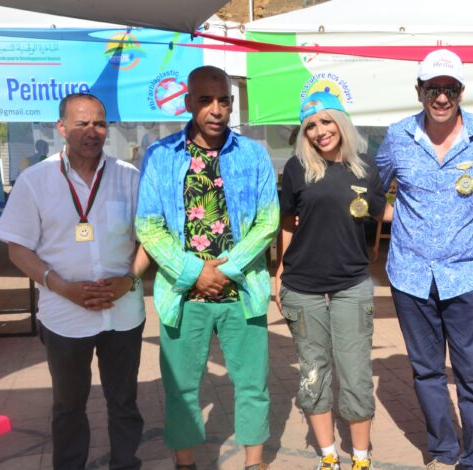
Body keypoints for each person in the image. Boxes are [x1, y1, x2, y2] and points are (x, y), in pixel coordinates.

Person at [375, 49, 473, 470]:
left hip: (468, 275)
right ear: (419, 91)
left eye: (450, 89)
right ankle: (443, 451)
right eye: (433, 89)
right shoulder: (398, 136)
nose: (441, 98)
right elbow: (369, 190)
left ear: (461, 91)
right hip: (410, 275)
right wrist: (398, 218)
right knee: (426, 372)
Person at [136, 66, 278, 470]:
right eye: (205, 100)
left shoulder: (253, 154)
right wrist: (194, 273)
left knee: (252, 385)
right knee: (181, 390)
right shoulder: (161, 156)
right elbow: (148, 226)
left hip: (243, 292)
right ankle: (186, 463)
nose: (216, 109)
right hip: (182, 296)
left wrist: (226, 269)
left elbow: (268, 221)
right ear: (188, 103)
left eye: (224, 101)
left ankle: (254, 463)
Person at [0, 93, 148, 469]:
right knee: (68, 407)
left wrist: (128, 280)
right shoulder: (35, 180)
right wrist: (61, 286)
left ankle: (125, 463)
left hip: (123, 312)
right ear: (61, 128)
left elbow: (149, 240)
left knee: (124, 403)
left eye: (99, 123)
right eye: (81, 123)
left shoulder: (129, 177)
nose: (92, 131)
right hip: (64, 315)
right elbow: (18, 249)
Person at [276, 91, 386, 470]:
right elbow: (288, 223)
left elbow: (377, 216)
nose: (320, 131)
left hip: (351, 284)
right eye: (310, 126)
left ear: (341, 122)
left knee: (355, 372)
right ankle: (328, 455)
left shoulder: (366, 169)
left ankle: (361, 457)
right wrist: (280, 270)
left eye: (326, 121)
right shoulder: (297, 169)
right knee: (313, 370)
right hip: (302, 284)